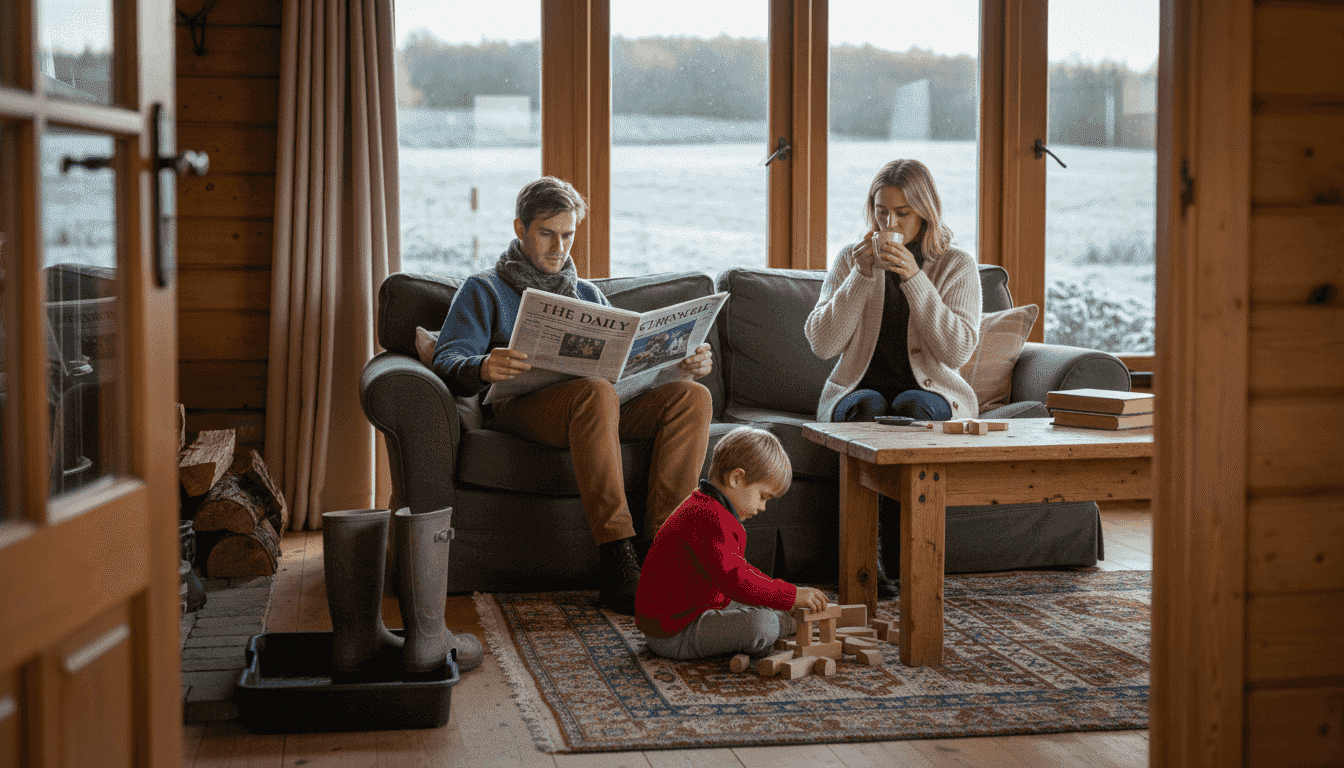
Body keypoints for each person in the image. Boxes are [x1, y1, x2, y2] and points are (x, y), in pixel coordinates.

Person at [431, 177, 714, 613]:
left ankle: (666, 550)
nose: (558, 247)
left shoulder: (588, 295)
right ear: (520, 229)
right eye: (546, 233)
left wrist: (682, 365)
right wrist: (484, 365)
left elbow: (626, 371)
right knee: (595, 393)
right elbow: (447, 359)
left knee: (690, 397)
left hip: (596, 404)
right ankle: (617, 558)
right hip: (521, 409)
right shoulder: (483, 288)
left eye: (567, 235)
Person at [804, 159, 981, 595]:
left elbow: (956, 350)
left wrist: (915, 278)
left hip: (931, 393)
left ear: (925, 211)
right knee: (869, 409)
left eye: (902, 213)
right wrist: (861, 278)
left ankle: (907, 557)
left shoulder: (956, 264)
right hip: (858, 389)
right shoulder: (851, 260)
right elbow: (822, 343)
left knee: (910, 409)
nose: (890, 222)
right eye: (882, 211)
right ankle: (866, 562)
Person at [635, 426, 829, 660]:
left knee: (763, 597)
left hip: (694, 608)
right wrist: (790, 595)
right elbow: (737, 580)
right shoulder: (710, 518)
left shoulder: (707, 507)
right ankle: (781, 624)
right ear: (736, 478)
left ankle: (779, 619)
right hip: (673, 633)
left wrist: (779, 594)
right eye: (762, 496)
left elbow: (738, 573)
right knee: (763, 624)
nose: (762, 507)